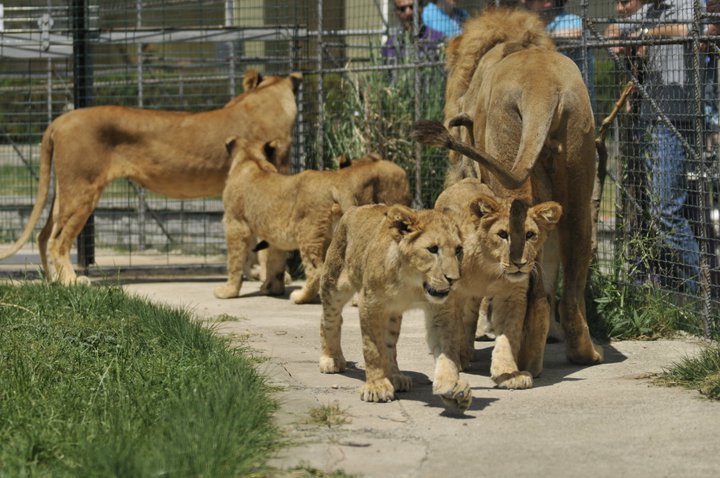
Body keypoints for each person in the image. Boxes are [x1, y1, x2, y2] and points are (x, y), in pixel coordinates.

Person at [627, 0, 701, 292]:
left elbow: (686, 30)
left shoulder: (685, 4)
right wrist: (625, 39)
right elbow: (617, 32)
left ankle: (701, 291)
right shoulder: (649, 11)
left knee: (666, 211)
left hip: (677, 119)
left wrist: (644, 33)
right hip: (650, 118)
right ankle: (687, 287)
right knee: (658, 211)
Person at [522, 0, 595, 109]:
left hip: (572, 93)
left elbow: (580, 32)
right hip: (539, 91)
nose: (524, 2)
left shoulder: (570, 20)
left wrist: (542, 37)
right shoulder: (526, 23)